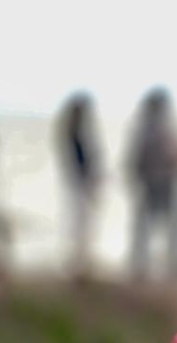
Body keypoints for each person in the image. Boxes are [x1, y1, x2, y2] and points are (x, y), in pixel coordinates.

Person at [125, 88, 177, 280]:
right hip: (160, 182)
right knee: (161, 227)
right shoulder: (160, 127)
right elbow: (176, 156)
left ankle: (150, 264)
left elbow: (135, 160)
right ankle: (156, 264)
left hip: (157, 182)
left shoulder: (146, 128)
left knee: (152, 228)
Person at [56, 93, 103, 281]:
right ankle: (78, 267)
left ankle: (79, 265)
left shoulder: (72, 132)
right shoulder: (76, 134)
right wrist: (90, 182)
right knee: (80, 227)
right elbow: (81, 164)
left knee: (79, 226)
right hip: (79, 187)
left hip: (78, 186)